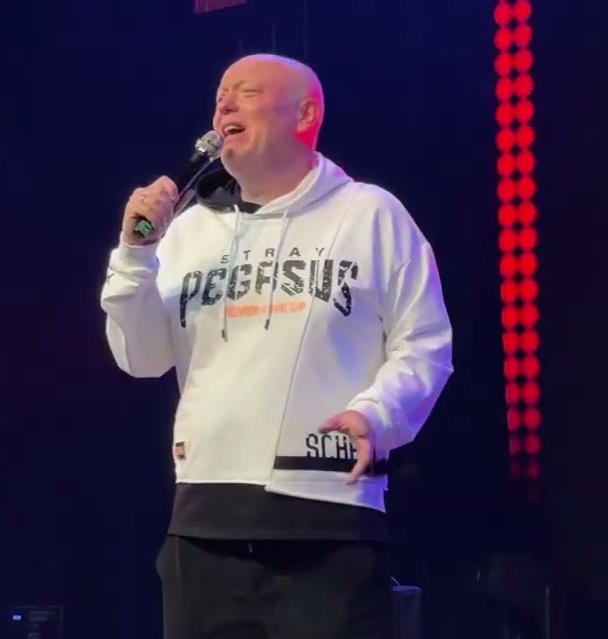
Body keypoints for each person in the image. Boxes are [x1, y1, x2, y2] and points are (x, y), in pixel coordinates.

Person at [99, 53, 454, 638]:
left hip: (327, 520)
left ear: (305, 114)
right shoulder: (191, 230)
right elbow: (141, 358)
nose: (224, 104)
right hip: (202, 524)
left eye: (246, 91)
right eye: (220, 95)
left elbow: (425, 344)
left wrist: (378, 413)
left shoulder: (370, 214)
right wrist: (135, 255)